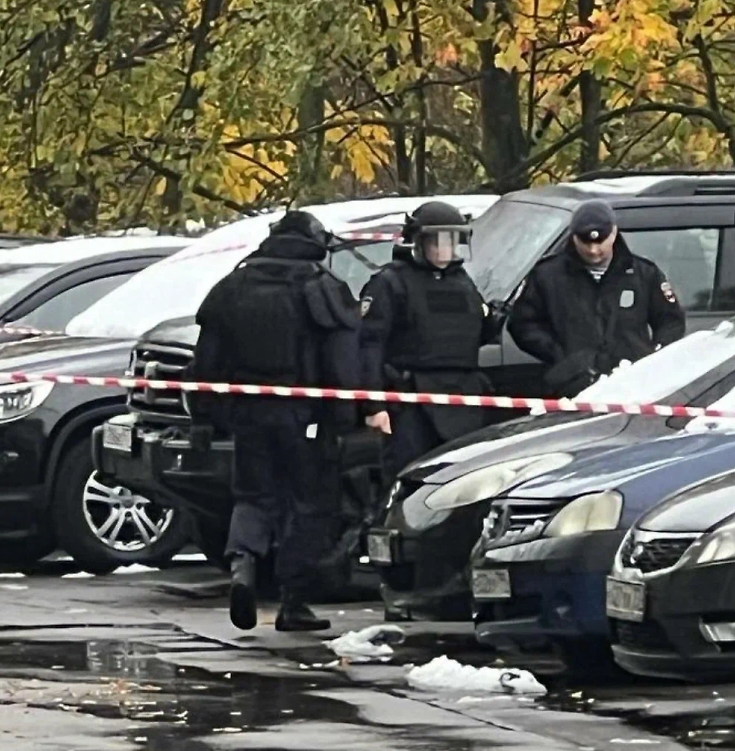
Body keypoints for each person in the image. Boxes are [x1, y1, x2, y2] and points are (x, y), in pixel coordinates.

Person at [191, 210, 361, 633]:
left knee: (253, 496)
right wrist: (344, 420)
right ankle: (293, 602)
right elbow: (341, 361)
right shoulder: (320, 287)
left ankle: (243, 568)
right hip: (305, 415)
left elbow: (206, 362)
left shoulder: (234, 285)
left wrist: (206, 416)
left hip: (248, 411)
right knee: (309, 504)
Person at [358, 200, 504, 483]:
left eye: (451, 241)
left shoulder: (462, 282)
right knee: (409, 477)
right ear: (418, 242)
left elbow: (474, 334)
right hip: (413, 399)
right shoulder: (391, 282)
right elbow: (369, 347)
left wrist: (493, 319)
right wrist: (374, 407)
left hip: (463, 397)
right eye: (436, 241)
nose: (443, 249)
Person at [507, 199, 686, 399]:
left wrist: (653, 357)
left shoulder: (643, 273)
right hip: (572, 386)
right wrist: (561, 356)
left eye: (600, 241)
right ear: (573, 236)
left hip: (633, 385)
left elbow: (671, 321)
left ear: (614, 233)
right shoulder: (547, 275)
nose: (593, 250)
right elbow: (523, 324)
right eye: (585, 242)